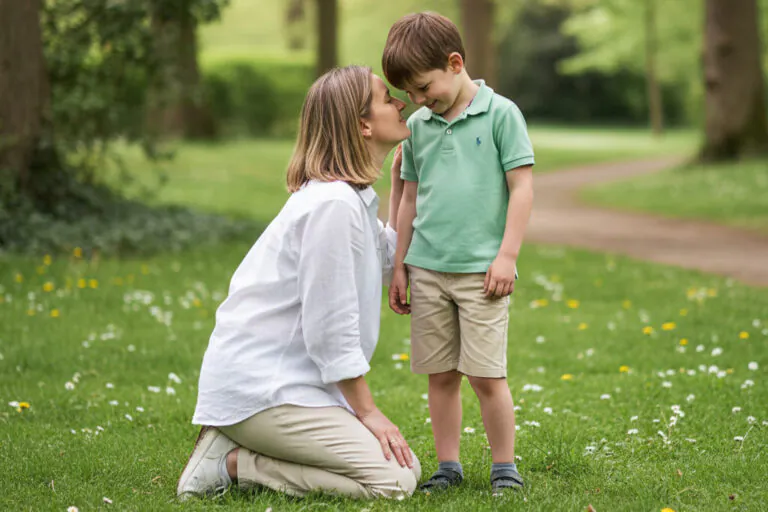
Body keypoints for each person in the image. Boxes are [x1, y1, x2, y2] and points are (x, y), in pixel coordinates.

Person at [177, 65, 421, 501]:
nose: (401, 101)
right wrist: (369, 412)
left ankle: (236, 450)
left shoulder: (352, 197)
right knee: (395, 481)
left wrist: (407, 184)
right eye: (387, 98)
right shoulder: (332, 205)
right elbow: (330, 330)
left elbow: (391, 261)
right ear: (362, 124)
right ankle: (231, 464)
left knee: (403, 468)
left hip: (295, 387)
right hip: (264, 388)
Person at [382, 12, 535, 494]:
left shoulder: (502, 114)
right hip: (427, 270)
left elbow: (522, 188)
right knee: (440, 376)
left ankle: (504, 467)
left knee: (487, 376)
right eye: (410, 95)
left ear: (454, 63)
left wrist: (507, 255)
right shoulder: (420, 128)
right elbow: (408, 198)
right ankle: (448, 466)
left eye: (424, 88)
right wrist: (400, 264)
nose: (419, 102)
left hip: (481, 273)